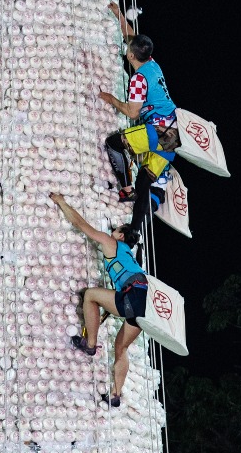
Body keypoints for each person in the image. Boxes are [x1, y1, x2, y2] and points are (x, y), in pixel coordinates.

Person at [50, 192, 148, 406]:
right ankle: (116, 394)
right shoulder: (129, 255)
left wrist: (62, 203)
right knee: (121, 348)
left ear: (121, 235)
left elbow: (81, 225)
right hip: (143, 301)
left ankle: (90, 344)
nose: (112, 231)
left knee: (90, 295)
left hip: (131, 296)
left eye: (116, 229)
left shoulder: (111, 242)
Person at [100, 33, 178, 232]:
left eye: (128, 48)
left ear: (131, 56)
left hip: (159, 131)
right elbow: (133, 37)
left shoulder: (139, 80)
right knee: (144, 183)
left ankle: (126, 190)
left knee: (114, 143)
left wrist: (112, 100)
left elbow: (132, 113)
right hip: (175, 133)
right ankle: (133, 232)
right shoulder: (153, 64)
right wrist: (118, 14)